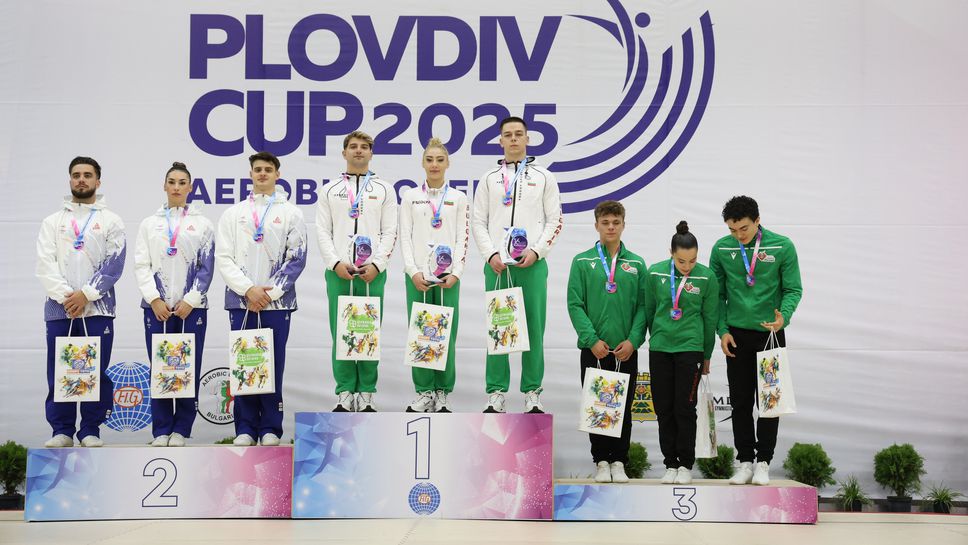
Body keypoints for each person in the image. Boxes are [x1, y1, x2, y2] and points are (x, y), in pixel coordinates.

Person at [471, 116, 563, 413]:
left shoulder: (544, 177)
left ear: (527, 139)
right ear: (500, 141)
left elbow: (555, 220)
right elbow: (478, 222)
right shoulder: (489, 179)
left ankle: (532, 392)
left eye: (518, 134)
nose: (513, 139)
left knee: (533, 330)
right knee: (499, 329)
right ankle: (496, 392)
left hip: (532, 265)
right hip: (499, 266)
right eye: (507, 135)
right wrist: (490, 255)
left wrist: (537, 251)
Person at [215, 151, 307, 446]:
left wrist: (270, 294)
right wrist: (247, 290)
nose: (263, 174)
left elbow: (297, 257)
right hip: (241, 301)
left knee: (272, 363)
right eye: (258, 169)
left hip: (276, 303)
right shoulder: (233, 214)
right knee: (244, 362)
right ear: (251, 174)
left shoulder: (291, 213)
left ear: (278, 174)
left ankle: (270, 427)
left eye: (268, 169)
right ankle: (244, 427)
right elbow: (224, 257)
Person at [709, 195, 802, 485]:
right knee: (739, 402)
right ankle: (745, 461)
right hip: (735, 335)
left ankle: (764, 462)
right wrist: (722, 331)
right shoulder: (722, 248)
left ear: (758, 221)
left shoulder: (782, 246)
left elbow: (793, 289)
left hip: (770, 334)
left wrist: (782, 317)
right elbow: (716, 296)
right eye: (733, 230)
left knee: (769, 402)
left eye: (744, 229)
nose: (739, 236)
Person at [36, 156, 126, 448]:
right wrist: (68, 297)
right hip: (59, 309)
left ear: (98, 181)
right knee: (61, 369)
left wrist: (86, 294)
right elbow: (45, 265)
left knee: (95, 370)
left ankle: (90, 429)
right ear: (70, 180)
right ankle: (61, 430)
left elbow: (114, 264)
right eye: (76, 175)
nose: (82, 180)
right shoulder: (53, 222)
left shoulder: (111, 220)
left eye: (88, 175)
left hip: (98, 308)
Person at [316, 131, 398, 412]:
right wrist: (335, 263)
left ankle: (366, 393)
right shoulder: (329, 189)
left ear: (371, 153)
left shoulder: (384, 189)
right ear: (344, 153)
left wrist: (377, 264)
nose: (359, 151)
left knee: (368, 330)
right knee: (341, 332)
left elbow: (390, 231)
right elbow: (322, 231)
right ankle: (344, 391)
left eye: (364, 147)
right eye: (353, 147)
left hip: (371, 272)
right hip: (339, 271)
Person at [134, 162, 215, 447]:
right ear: (165, 186)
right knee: (161, 367)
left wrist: (191, 301)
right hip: (156, 308)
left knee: (187, 366)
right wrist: (153, 299)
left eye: (183, 182)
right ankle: (160, 430)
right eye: (172, 182)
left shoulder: (203, 224)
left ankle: (181, 429)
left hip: (191, 309)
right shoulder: (149, 224)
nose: (177, 187)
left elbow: (207, 267)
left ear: (190, 188)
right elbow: (142, 265)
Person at [566, 200, 646, 483]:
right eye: (605, 223)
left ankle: (619, 462)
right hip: (594, 349)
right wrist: (591, 339)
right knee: (597, 405)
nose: (611, 227)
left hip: (625, 350)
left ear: (624, 224)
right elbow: (575, 304)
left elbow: (643, 307)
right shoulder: (582, 261)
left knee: (622, 407)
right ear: (596, 225)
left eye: (616, 222)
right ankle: (601, 460)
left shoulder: (636, 264)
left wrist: (634, 340)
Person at [644, 221, 719, 485]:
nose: (687, 267)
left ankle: (686, 464)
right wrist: (659, 335)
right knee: (664, 408)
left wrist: (706, 354)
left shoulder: (707, 278)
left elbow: (710, 319)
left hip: (691, 350)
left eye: (692, 260)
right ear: (671, 253)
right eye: (681, 261)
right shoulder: (654, 274)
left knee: (685, 408)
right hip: (661, 349)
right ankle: (670, 464)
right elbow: (650, 311)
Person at [399, 137, 469, 412]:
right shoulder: (410, 197)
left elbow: (463, 239)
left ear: (448, 163)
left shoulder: (458, 198)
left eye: (440, 160)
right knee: (420, 333)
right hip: (418, 276)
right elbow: (405, 236)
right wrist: (412, 271)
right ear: (422, 163)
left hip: (448, 277)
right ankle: (424, 390)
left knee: (446, 333)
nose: (435, 164)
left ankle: (442, 392)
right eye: (430, 160)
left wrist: (458, 272)